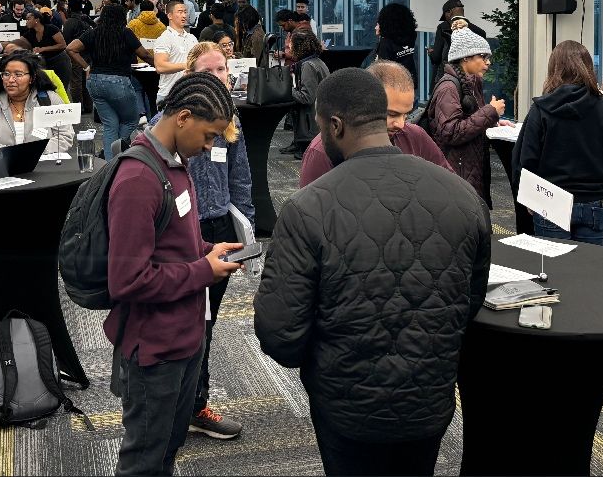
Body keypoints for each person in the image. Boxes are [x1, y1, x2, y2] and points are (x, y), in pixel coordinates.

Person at [254, 69, 491, 477]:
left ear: (336, 124)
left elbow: (280, 336)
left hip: (346, 405)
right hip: (429, 398)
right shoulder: (465, 198)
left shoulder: (307, 208)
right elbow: (469, 300)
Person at [105, 73, 244, 476]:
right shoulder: (137, 179)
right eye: (209, 135)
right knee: (145, 460)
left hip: (184, 337)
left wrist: (205, 251)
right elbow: (128, 280)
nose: (210, 146)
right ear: (183, 117)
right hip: (154, 349)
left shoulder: (176, 164)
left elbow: (170, 244)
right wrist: (203, 270)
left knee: (168, 450)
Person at [146, 43, 253, 442]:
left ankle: (193, 404)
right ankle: (180, 406)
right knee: (185, 322)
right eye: (207, 72)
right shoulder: (168, 124)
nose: (218, 78)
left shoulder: (229, 124)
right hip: (181, 235)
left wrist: (247, 232)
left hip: (219, 230)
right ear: (189, 77)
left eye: (223, 70)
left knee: (207, 324)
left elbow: (241, 180)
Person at [512, 40, 603, 245]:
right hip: (596, 201)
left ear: (553, 68)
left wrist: (530, 197)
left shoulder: (541, 109)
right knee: (588, 269)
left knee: (555, 269)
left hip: (550, 199)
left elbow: (526, 160)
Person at [300, 60, 452, 186]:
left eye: (407, 114)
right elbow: (311, 212)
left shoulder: (415, 136)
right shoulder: (322, 150)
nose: (400, 124)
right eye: (391, 114)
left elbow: (450, 183)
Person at [427, 26, 508, 206]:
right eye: (483, 57)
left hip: (469, 169)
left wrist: (494, 122)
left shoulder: (473, 83)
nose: (488, 63)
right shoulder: (448, 88)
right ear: (465, 57)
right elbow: (451, 132)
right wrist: (490, 112)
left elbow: (471, 121)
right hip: (457, 173)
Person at [67, 4, 152, 159]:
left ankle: (109, 164)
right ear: (121, 17)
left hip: (94, 82)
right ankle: (119, 154)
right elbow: (144, 54)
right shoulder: (125, 33)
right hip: (119, 82)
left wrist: (87, 67)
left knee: (110, 124)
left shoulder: (93, 33)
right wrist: (158, 65)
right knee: (131, 120)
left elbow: (71, 48)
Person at [0, 52, 74, 158]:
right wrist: (9, 154)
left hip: (42, 168)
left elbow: (64, 136)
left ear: (31, 78)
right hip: (1, 170)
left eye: (18, 74)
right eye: (6, 74)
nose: (11, 80)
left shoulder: (49, 99)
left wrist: (32, 151)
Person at [282, 29, 330, 159]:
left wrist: (284, 88)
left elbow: (307, 97)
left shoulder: (308, 66)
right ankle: (298, 143)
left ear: (299, 46)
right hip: (317, 121)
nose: (289, 46)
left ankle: (301, 145)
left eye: (291, 44)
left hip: (311, 125)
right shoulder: (317, 61)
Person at [428, 0, 487, 86]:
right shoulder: (479, 32)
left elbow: (437, 57)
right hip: (470, 78)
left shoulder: (443, 28)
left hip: (447, 77)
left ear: (449, 12)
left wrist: (431, 53)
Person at [152, 0, 198, 105]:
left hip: (190, 93)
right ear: (170, 16)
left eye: (185, 12)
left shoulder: (192, 38)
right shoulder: (165, 38)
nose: (184, 16)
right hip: (169, 95)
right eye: (180, 12)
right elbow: (160, 67)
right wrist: (187, 65)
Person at [21, 7, 72, 91]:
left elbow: (62, 45)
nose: (26, 22)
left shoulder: (51, 28)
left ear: (36, 20)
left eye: (28, 19)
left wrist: (43, 49)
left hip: (60, 62)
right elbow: (18, 42)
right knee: (48, 90)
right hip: (45, 63)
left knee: (61, 89)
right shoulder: (30, 32)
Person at [373, 3, 419, 91]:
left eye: (378, 24)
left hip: (393, 88)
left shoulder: (385, 43)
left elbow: (383, 71)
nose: (376, 27)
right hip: (409, 81)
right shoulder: (412, 37)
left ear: (386, 23)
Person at [62, 8, 95, 114]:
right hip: (88, 55)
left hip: (74, 55)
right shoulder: (86, 20)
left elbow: (66, 40)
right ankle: (89, 106)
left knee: (76, 82)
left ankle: (78, 108)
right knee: (87, 80)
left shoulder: (69, 22)